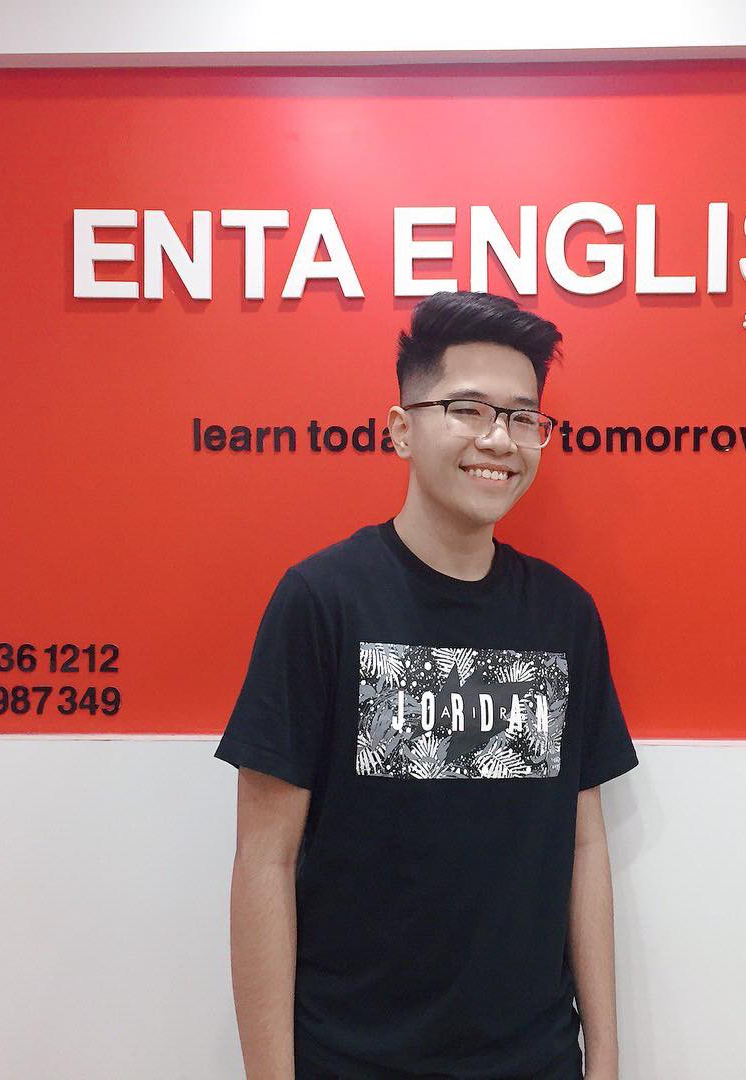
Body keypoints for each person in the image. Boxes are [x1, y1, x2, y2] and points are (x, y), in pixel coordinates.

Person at [215, 290, 639, 1080]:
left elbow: (584, 843)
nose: (498, 439)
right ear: (402, 428)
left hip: (533, 1061)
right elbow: (263, 860)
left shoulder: (563, 616)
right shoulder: (323, 602)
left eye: (522, 417)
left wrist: (606, 1059)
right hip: (351, 1060)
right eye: (467, 409)